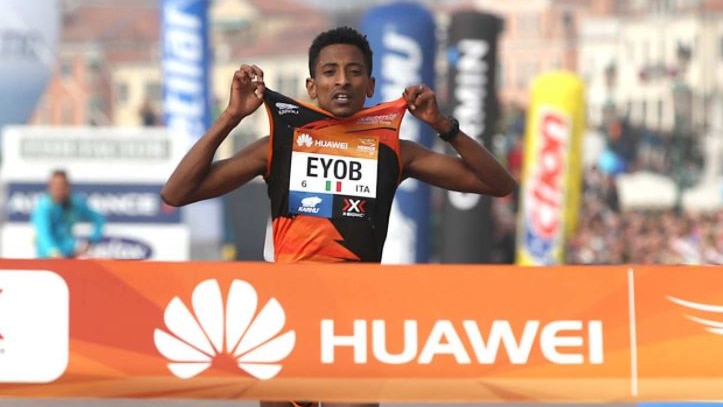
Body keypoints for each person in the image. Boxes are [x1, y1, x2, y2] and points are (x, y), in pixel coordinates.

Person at [161, 25, 515, 406]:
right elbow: (177, 192)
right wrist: (231, 116)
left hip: (354, 326)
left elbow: (497, 184)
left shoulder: (395, 150)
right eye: (330, 72)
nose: (342, 81)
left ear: (371, 84)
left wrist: (444, 126)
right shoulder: (279, 144)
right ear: (312, 86)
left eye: (354, 71)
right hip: (284, 319)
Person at [31, 169, 105, 258]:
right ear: (50, 187)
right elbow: (43, 235)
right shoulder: (44, 208)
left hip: (69, 255)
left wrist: (91, 241)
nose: (58, 190)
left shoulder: (75, 203)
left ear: (67, 187)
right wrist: (54, 253)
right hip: (47, 259)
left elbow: (99, 219)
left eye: (61, 186)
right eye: (55, 186)